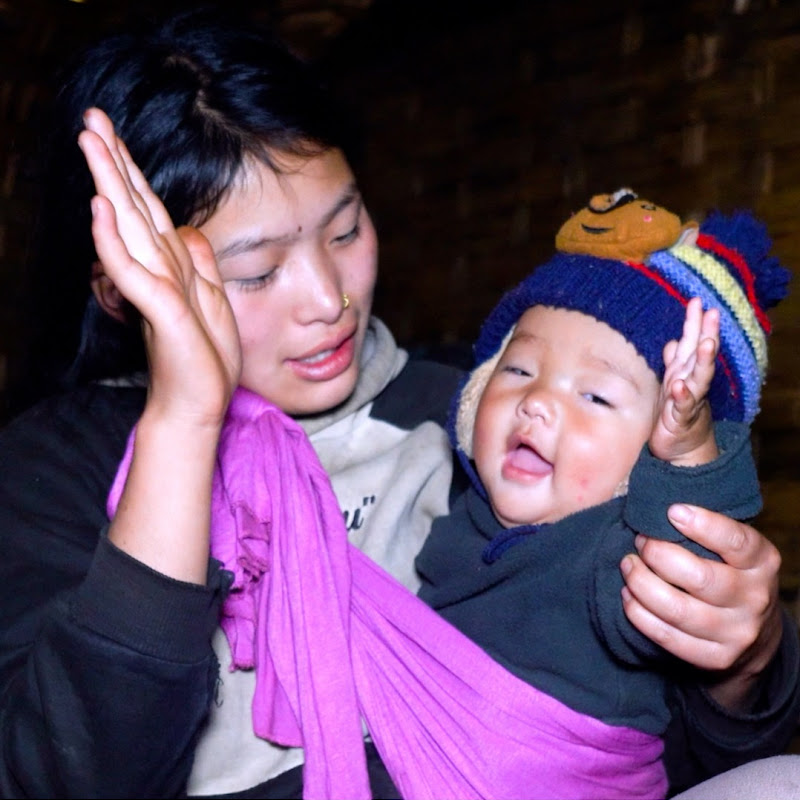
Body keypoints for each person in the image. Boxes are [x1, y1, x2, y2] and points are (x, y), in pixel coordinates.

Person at [0, 8, 796, 798]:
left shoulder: (486, 417)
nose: (327, 299)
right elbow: (68, 776)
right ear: (122, 284)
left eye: (344, 232)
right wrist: (184, 423)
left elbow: (622, 736)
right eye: (255, 272)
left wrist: (742, 662)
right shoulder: (53, 471)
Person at [415, 189, 789, 797]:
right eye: (518, 370)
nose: (537, 402)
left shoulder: (612, 552)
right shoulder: (458, 523)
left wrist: (688, 448)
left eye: (594, 396)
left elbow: (687, 563)